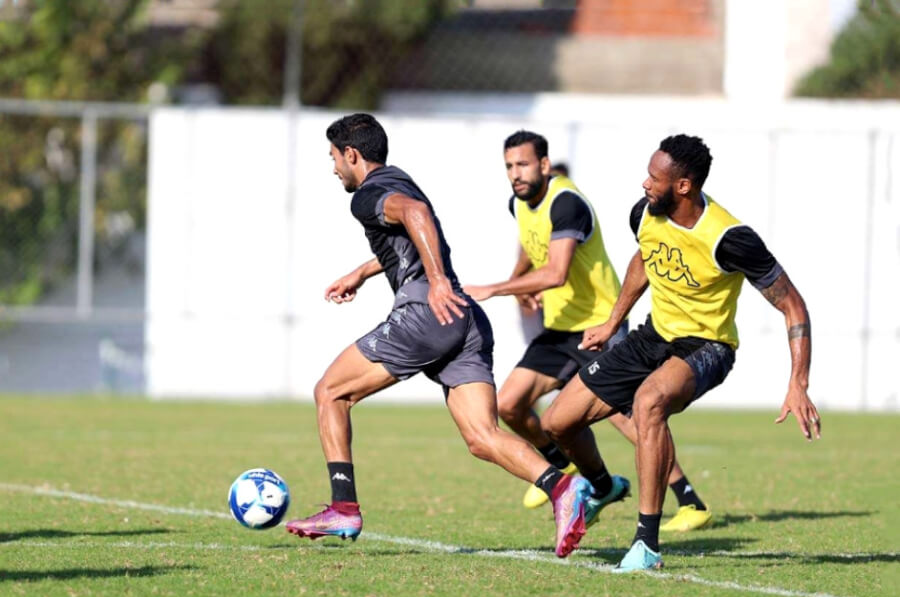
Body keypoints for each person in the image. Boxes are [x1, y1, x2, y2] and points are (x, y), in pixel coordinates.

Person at [284, 113, 595, 559]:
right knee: (482, 436)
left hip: (426, 313)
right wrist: (366, 271)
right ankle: (562, 487)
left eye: (334, 158)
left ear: (351, 155)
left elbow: (416, 215)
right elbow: (414, 229)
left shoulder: (368, 195)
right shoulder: (400, 179)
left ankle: (343, 506)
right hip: (464, 317)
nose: (333, 168)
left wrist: (435, 282)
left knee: (330, 392)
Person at [540, 134, 819, 572]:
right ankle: (602, 486)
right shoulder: (645, 213)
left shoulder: (730, 238)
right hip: (651, 338)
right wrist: (613, 322)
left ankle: (646, 544)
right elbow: (645, 258)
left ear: (684, 186)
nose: (645, 184)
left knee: (649, 403)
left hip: (707, 347)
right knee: (557, 423)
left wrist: (798, 382)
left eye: (655, 177)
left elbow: (792, 304)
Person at [464, 130, 712, 534]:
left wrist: (497, 287)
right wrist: (519, 279)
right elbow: (532, 242)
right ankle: (585, 478)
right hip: (560, 327)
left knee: (627, 417)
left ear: (544, 165)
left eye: (523, 164)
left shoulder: (568, 204)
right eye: (509, 166)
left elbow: (557, 269)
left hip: (597, 325)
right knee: (510, 404)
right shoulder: (520, 202)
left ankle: (689, 501)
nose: (515, 173)